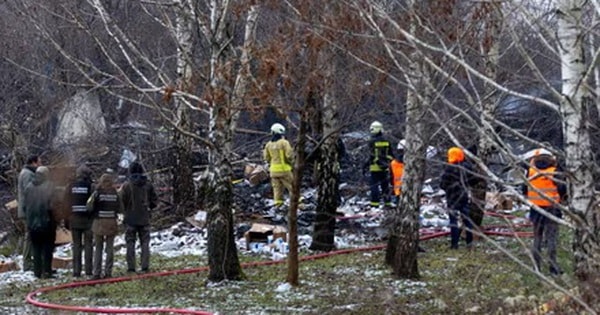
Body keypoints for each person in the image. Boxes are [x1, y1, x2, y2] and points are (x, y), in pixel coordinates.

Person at [523, 150, 567, 275]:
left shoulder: (531, 171)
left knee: (537, 238)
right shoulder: (554, 172)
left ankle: (536, 267)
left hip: (535, 209)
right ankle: (553, 268)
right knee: (551, 238)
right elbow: (563, 189)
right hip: (552, 209)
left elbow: (524, 189)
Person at [120, 162, 157, 273]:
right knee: (145, 243)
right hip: (144, 219)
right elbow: (154, 201)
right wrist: (149, 207)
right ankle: (145, 266)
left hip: (130, 219)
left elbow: (122, 202)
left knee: (130, 243)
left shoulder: (126, 185)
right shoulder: (148, 185)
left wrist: (125, 212)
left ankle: (131, 267)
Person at [23, 166, 56, 279]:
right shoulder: (50, 186)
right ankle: (47, 271)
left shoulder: (28, 187)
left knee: (36, 248)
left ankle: (37, 271)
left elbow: (24, 206)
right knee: (48, 248)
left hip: (32, 224)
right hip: (47, 223)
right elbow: (53, 205)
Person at [440, 147, 474, 249]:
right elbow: (474, 180)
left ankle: (454, 244)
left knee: (453, 221)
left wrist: (448, 188)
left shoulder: (449, 168)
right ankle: (469, 243)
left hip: (452, 197)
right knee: (467, 220)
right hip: (464, 196)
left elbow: (442, 184)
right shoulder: (467, 167)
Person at [90, 173, 123, 279]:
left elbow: (89, 206)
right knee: (109, 248)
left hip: (98, 223)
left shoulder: (97, 193)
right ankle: (108, 272)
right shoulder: (115, 193)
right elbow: (121, 208)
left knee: (98, 248)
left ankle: (96, 272)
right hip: (111, 223)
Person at [65, 164, 94, 277]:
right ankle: (88, 270)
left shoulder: (70, 186)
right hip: (88, 220)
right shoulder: (90, 186)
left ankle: (76, 271)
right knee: (88, 245)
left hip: (74, 219)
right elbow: (94, 203)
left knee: (76, 245)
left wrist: (66, 220)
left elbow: (65, 204)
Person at [17, 155, 42, 271]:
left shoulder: (25, 173)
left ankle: (29, 261)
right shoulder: (28, 174)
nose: (40, 164)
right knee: (30, 236)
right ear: (34, 162)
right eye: (39, 162)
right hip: (29, 211)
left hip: (27, 210)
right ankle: (27, 263)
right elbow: (30, 192)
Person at [364, 121, 394, 208]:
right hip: (385, 167)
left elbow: (371, 156)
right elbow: (391, 154)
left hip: (375, 167)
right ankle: (387, 203)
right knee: (385, 186)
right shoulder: (387, 141)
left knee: (374, 186)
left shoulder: (372, 142)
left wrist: (365, 165)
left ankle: (374, 204)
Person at [263, 123, 294, 207]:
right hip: (284, 170)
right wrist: (293, 163)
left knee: (277, 190)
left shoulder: (268, 145)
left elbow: (266, 158)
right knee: (293, 188)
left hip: (273, 171)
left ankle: (277, 206)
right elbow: (289, 155)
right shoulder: (284, 143)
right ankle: (299, 205)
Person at [390, 139, 405, 205]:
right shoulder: (410, 163)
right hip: (409, 190)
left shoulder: (393, 163)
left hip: (397, 191)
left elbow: (391, 177)